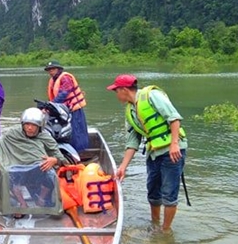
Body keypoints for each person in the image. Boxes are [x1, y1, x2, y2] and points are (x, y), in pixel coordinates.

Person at [107, 74, 187, 232]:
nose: (116, 94)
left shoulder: (151, 95)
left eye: (116, 91)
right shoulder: (130, 111)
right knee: (153, 192)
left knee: (169, 193)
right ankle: (155, 224)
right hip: (154, 152)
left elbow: (174, 118)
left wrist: (174, 143)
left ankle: (165, 231)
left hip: (172, 150)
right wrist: (123, 167)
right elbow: (133, 141)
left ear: (123, 89)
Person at [0, 108, 67, 217]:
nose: (29, 128)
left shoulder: (45, 137)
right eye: (27, 124)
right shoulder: (13, 134)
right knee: (6, 174)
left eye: (33, 125)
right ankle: (22, 204)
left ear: (40, 126)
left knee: (51, 175)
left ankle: (41, 200)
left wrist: (54, 160)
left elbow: (60, 157)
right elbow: (1, 146)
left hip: (38, 170)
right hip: (18, 169)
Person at [44, 60, 89, 153]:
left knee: (76, 132)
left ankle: (80, 153)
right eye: (49, 70)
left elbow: (64, 93)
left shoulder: (65, 78)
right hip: (63, 111)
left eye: (53, 69)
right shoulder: (53, 80)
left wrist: (51, 106)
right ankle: (66, 152)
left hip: (74, 109)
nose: (51, 72)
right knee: (63, 131)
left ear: (58, 69)